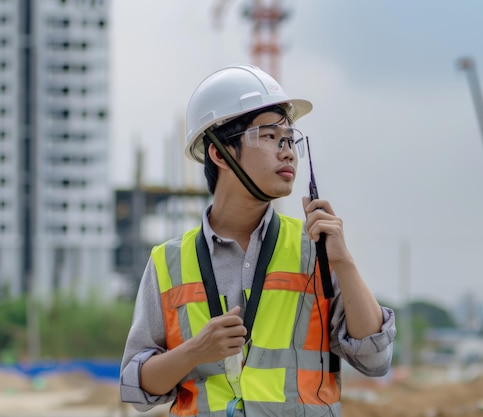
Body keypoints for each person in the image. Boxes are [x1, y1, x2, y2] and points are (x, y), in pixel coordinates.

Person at [120, 64, 396, 417]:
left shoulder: (316, 246)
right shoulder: (168, 261)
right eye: (269, 137)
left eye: (289, 138)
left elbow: (375, 360)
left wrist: (344, 262)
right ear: (219, 153)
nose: (287, 152)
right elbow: (137, 387)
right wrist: (194, 351)